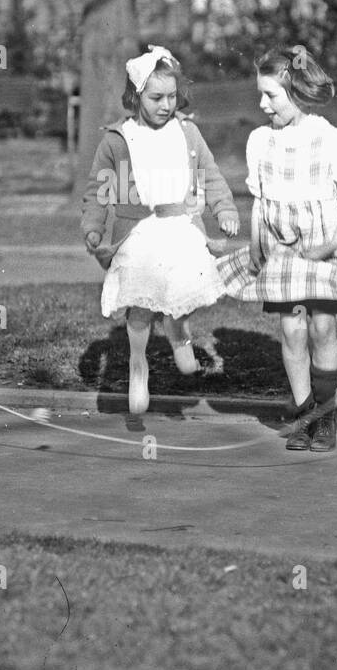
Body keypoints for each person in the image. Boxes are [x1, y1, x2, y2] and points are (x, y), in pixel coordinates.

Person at [217, 48, 337, 452]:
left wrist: (330, 243)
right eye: (260, 94)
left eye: (270, 95)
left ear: (296, 92)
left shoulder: (331, 139)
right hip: (282, 250)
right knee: (292, 329)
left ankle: (325, 412)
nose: (262, 104)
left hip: (323, 246)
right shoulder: (259, 141)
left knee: (322, 325)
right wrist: (255, 240)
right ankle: (305, 412)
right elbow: (259, 198)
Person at [80, 47, 239, 415]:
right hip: (138, 232)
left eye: (172, 97)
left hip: (181, 229)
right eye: (156, 98)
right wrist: (93, 228)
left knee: (178, 299)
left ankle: (179, 336)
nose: (166, 105)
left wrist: (224, 209)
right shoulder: (119, 140)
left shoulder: (187, 134)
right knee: (140, 304)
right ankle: (139, 365)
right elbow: (99, 190)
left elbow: (210, 177)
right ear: (136, 96)